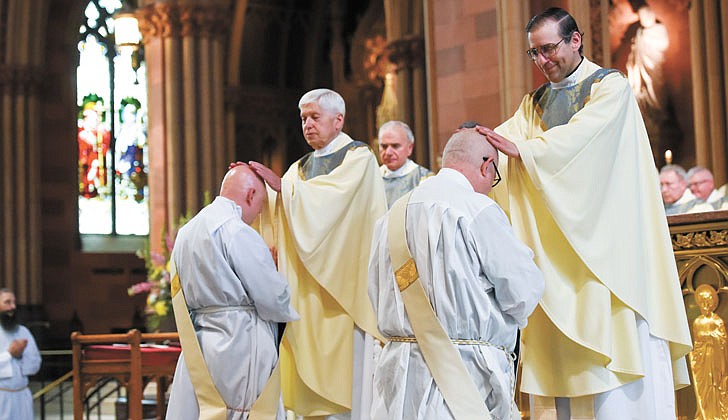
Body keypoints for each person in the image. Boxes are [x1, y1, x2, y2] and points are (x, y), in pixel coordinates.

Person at [475, 7, 692, 419]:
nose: (542, 61)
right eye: (533, 54)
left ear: (575, 41)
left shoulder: (611, 89)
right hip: (559, 255)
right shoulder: (534, 104)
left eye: (548, 49)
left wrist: (527, 150)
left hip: (609, 252)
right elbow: (506, 138)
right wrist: (475, 147)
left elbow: (584, 140)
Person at [368, 128, 544, 419]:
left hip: (399, 377)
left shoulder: (392, 216)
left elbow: (377, 291)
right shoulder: (476, 209)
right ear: (487, 165)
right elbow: (523, 292)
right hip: (463, 375)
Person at [249, 88, 387, 419]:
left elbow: (333, 202)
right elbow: (285, 210)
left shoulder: (360, 159)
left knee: (348, 385)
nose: (307, 124)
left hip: (345, 290)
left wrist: (284, 190)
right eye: (303, 118)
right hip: (306, 291)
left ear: (338, 120)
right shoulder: (298, 169)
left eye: (315, 117)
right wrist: (259, 188)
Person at [165, 164, 299, 420]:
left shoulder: (187, 232)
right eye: (259, 206)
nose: (256, 215)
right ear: (250, 195)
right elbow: (272, 299)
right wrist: (279, 273)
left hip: (200, 345)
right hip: (239, 345)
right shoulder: (236, 231)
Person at [0, 288, 41, 420]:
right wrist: (9, 354)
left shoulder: (23, 331)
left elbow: (35, 363)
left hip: (22, 394)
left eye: (14, 302)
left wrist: (20, 356)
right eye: (7, 302)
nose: (12, 306)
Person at [689, 284, 728, 420]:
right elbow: (697, 343)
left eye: (708, 302)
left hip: (716, 359)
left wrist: (710, 337)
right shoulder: (697, 322)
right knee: (704, 389)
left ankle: (718, 415)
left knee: (715, 386)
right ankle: (704, 414)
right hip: (702, 361)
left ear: (712, 303)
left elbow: (722, 339)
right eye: (703, 302)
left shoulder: (717, 320)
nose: (705, 305)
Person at [377, 120, 433, 207]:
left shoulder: (425, 179)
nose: (388, 152)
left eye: (395, 146)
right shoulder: (373, 177)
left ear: (410, 148)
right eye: (384, 146)